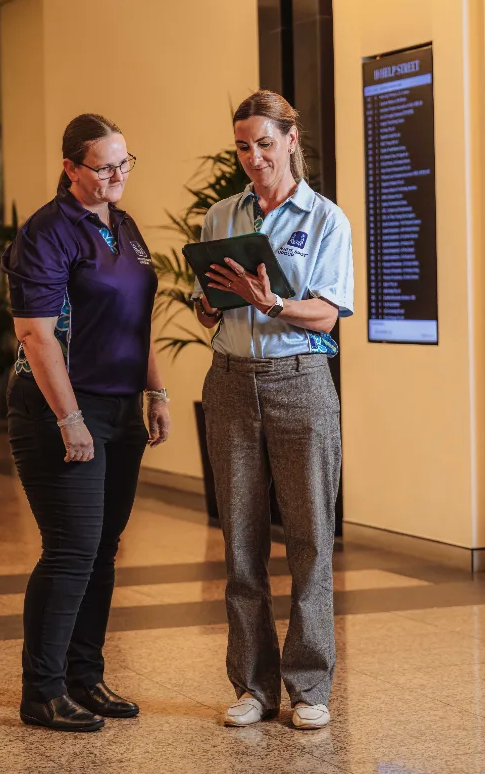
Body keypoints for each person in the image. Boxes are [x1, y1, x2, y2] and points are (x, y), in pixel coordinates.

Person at [1, 113, 171, 732]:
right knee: (71, 550)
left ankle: (85, 676)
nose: (117, 176)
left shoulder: (122, 225)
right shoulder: (47, 232)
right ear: (72, 167)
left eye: (125, 164)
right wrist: (68, 416)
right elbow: (35, 334)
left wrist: (157, 392)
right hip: (60, 409)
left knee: (101, 550)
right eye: (104, 167)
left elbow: (136, 318)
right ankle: (41, 692)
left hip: (121, 407)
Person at [193, 90, 353, 730]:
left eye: (264, 143)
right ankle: (253, 687)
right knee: (241, 544)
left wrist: (273, 303)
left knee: (311, 539)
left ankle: (309, 687)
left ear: (290, 140)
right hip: (230, 382)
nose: (252, 157)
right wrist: (210, 304)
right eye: (242, 146)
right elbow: (209, 302)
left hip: (300, 381)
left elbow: (330, 311)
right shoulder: (220, 215)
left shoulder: (326, 219)